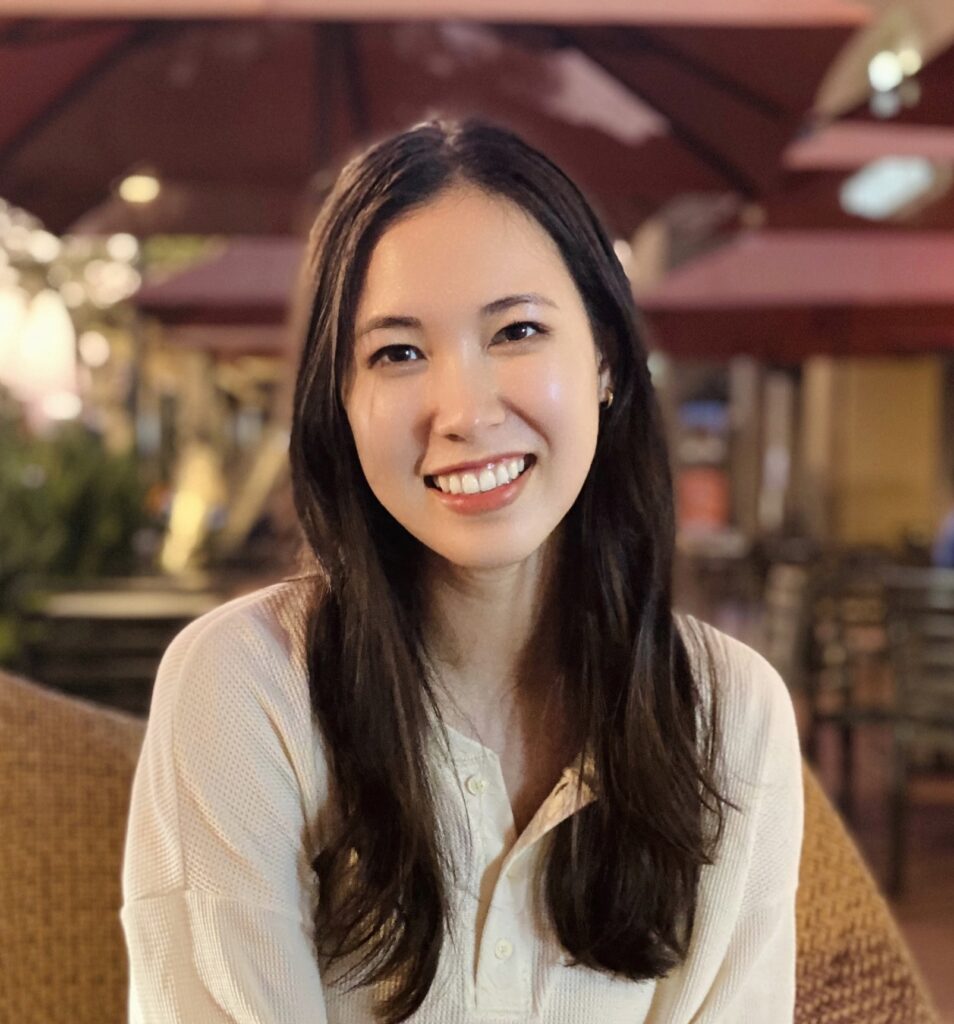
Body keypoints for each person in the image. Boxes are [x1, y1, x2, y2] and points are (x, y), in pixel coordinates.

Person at [121, 119, 803, 1023]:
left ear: (604, 358)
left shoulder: (730, 715)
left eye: (516, 330)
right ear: (341, 401)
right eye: (398, 352)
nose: (465, 412)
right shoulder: (246, 690)